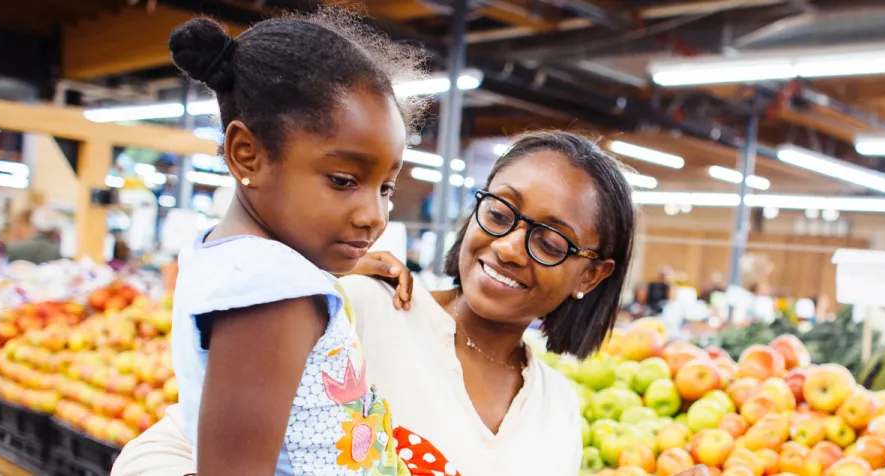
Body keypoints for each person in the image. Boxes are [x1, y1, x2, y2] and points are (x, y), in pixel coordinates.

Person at [114, 131, 640, 476]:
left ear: (591, 275)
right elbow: (156, 454)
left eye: (550, 242)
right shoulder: (354, 311)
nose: (506, 246)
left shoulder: (559, 409)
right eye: (500, 213)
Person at [151, 10, 430, 475]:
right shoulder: (274, 294)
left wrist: (350, 267)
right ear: (248, 155)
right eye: (343, 180)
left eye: (386, 187)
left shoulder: (240, 261)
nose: (374, 215)